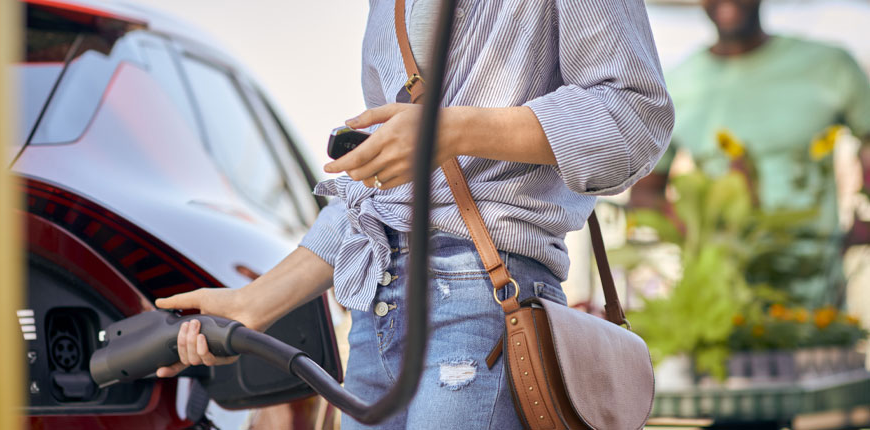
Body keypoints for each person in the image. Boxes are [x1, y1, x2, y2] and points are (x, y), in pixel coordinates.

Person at [156, 0, 673, 428]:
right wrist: (250, 304)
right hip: (374, 310)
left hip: (483, 299)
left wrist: (447, 130)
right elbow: (378, 200)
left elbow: (634, 115)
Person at [630, 0, 870, 307]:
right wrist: (689, 226)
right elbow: (644, 191)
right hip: (721, 294)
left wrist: (863, 221)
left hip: (815, 290)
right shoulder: (676, 84)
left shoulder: (829, 65)